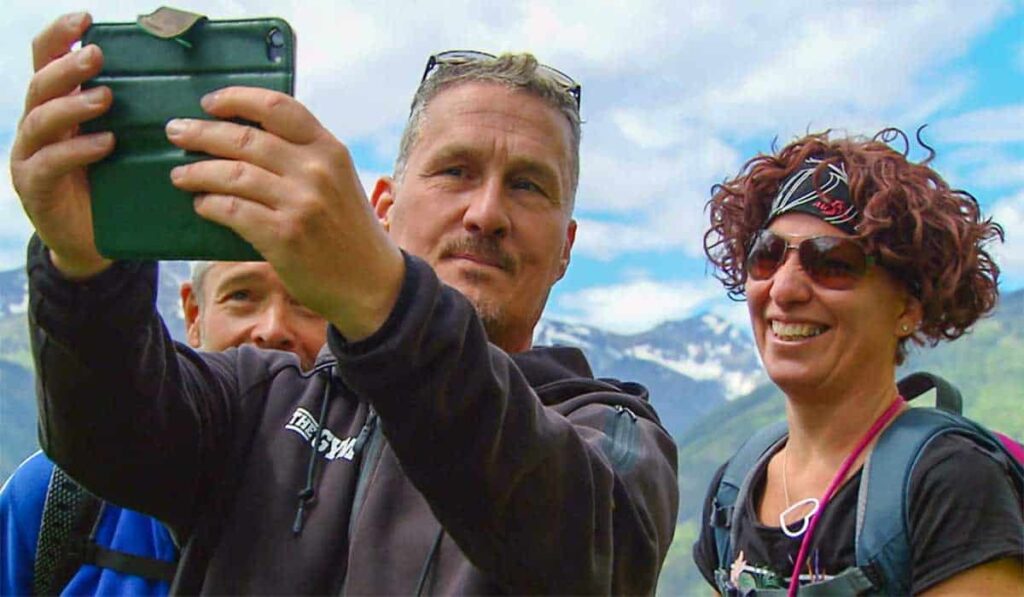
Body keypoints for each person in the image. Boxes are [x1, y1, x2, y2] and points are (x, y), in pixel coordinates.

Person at [13, 12, 678, 595]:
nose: (487, 212)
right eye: (456, 171)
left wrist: (386, 301)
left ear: (566, 248)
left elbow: (591, 554)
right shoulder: (259, 398)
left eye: (529, 185)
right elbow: (106, 432)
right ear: (384, 209)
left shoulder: (613, 435)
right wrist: (83, 264)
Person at [693, 130, 1023, 594]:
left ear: (907, 308)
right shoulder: (735, 488)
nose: (784, 290)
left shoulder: (952, 484)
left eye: (832, 263)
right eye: (766, 257)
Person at [1, 260, 328, 595]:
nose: (272, 329)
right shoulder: (52, 496)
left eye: (309, 301)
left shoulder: (369, 500)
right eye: (241, 295)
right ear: (193, 314)